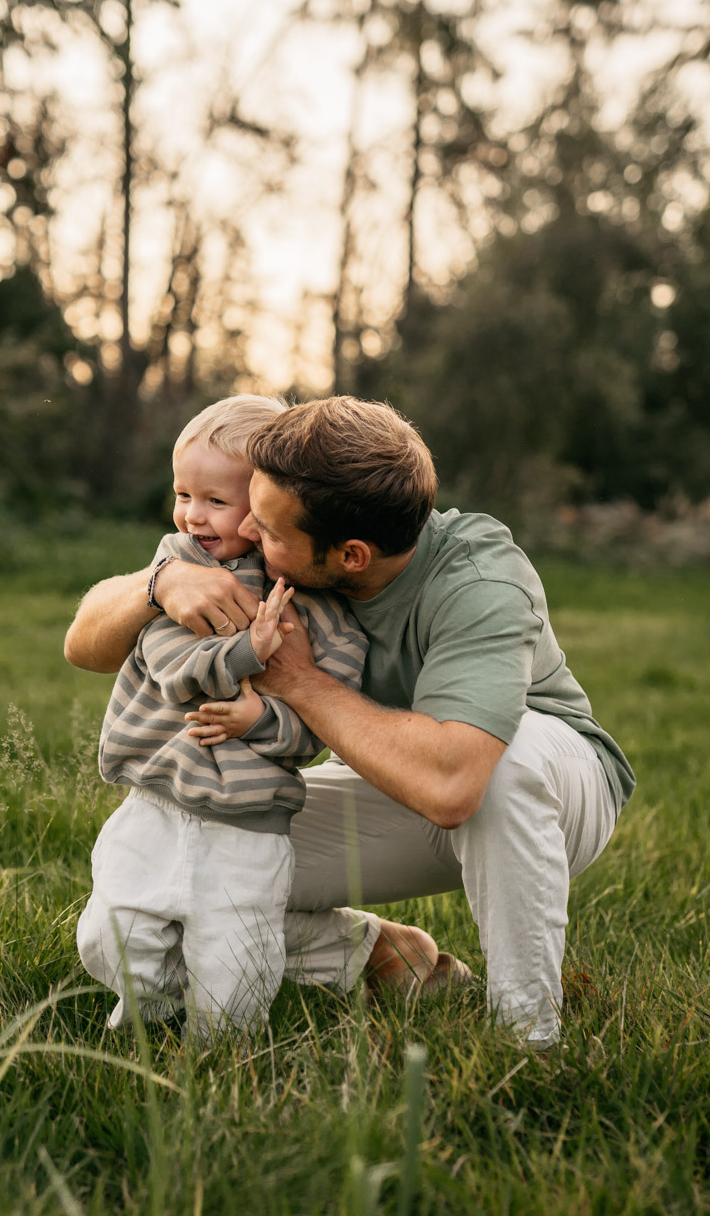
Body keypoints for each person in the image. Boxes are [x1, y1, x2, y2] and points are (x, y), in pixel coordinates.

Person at [67, 396, 635, 1050]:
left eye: (272, 531)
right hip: (383, 777)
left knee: (505, 764)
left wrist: (299, 683)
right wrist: (156, 583)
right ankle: (373, 956)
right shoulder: (310, 504)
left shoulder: (480, 576)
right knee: (193, 869)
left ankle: (525, 1038)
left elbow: (454, 787)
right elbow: (84, 649)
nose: (249, 535)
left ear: (350, 557)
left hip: (543, 794)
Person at [72, 396, 443, 1044]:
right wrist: (247, 652)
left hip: (249, 820)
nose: (192, 513)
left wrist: (261, 718)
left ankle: (219, 1060)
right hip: (157, 800)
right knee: (111, 934)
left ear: (271, 501)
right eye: (183, 492)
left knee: (234, 972)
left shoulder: (324, 610)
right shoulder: (180, 561)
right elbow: (168, 661)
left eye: (216, 500)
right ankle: (147, 1014)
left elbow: (315, 724)